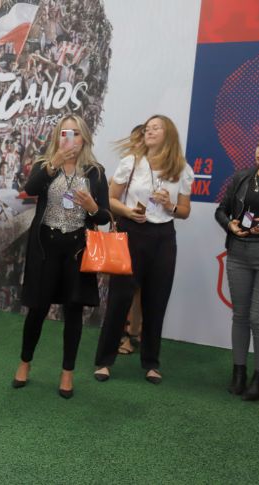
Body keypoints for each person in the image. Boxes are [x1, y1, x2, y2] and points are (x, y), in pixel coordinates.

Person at [11, 115, 110, 398]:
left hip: (77, 250)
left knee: (74, 311)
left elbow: (103, 216)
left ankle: (67, 372)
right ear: (58, 136)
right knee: (38, 309)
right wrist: (53, 163)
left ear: (85, 138)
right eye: (66, 133)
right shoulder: (47, 166)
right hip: (46, 247)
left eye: (77, 134)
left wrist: (92, 207)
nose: (72, 139)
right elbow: (29, 190)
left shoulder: (96, 172)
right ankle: (24, 362)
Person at [94, 114, 194, 385]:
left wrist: (170, 205)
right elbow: (110, 200)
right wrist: (128, 211)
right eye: (148, 128)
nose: (149, 132)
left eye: (156, 128)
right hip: (132, 232)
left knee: (157, 301)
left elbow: (185, 211)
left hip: (164, 238)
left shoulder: (182, 169)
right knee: (119, 299)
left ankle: (151, 363)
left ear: (168, 134)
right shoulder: (131, 162)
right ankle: (104, 361)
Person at [215, 131, 259, 401]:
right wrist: (231, 225)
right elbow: (221, 211)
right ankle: (238, 371)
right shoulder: (242, 177)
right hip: (238, 254)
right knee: (240, 315)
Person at [114, 124, 145, 356]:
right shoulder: (126, 165)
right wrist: (125, 212)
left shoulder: (158, 169)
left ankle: (135, 332)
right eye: (136, 139)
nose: (138, 144)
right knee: (124, 287)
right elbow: (109, 197)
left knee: (139, 288)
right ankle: (121, 334)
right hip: (124, 232)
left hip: (148, 235)